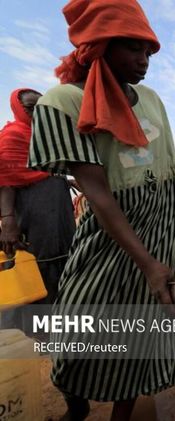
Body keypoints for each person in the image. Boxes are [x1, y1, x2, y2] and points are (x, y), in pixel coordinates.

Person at [27, 1, 175, 419]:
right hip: (115, 230)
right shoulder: (63, 102)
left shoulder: (152, 99)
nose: (143, 61)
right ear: (100, 45)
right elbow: (97, 193)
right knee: (78, 322)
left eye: (148, 51)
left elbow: (169, 163)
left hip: (165, 227)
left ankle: (124, 411)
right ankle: (77, 404)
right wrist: (148, 263)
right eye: (132, 48)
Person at [0, 88, 75, 333]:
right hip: (33, 213)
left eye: (42, 108)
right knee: (36, 270)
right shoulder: (12, 136)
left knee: (62, 263)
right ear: (18, 109)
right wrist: (8, 222)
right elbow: (6, 181)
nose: (37, 114)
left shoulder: (46, 137)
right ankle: (34, 335)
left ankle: (58, 330)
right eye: (31, 108)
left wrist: (63, 180)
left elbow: (49, 170)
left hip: (58, 211)